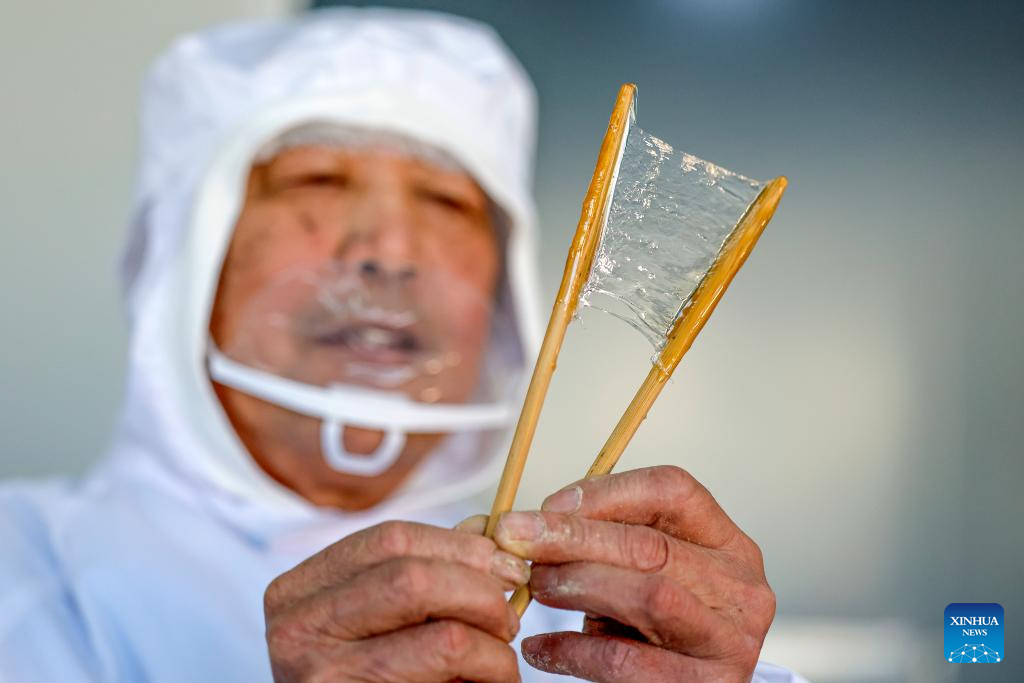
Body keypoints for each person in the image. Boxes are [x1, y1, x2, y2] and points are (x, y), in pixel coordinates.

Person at [0, 8, 806, 682]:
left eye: (445, 200)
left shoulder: (603, 621)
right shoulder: (24, 573)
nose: (390, 248)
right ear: (180, 260)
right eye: (316, 180)